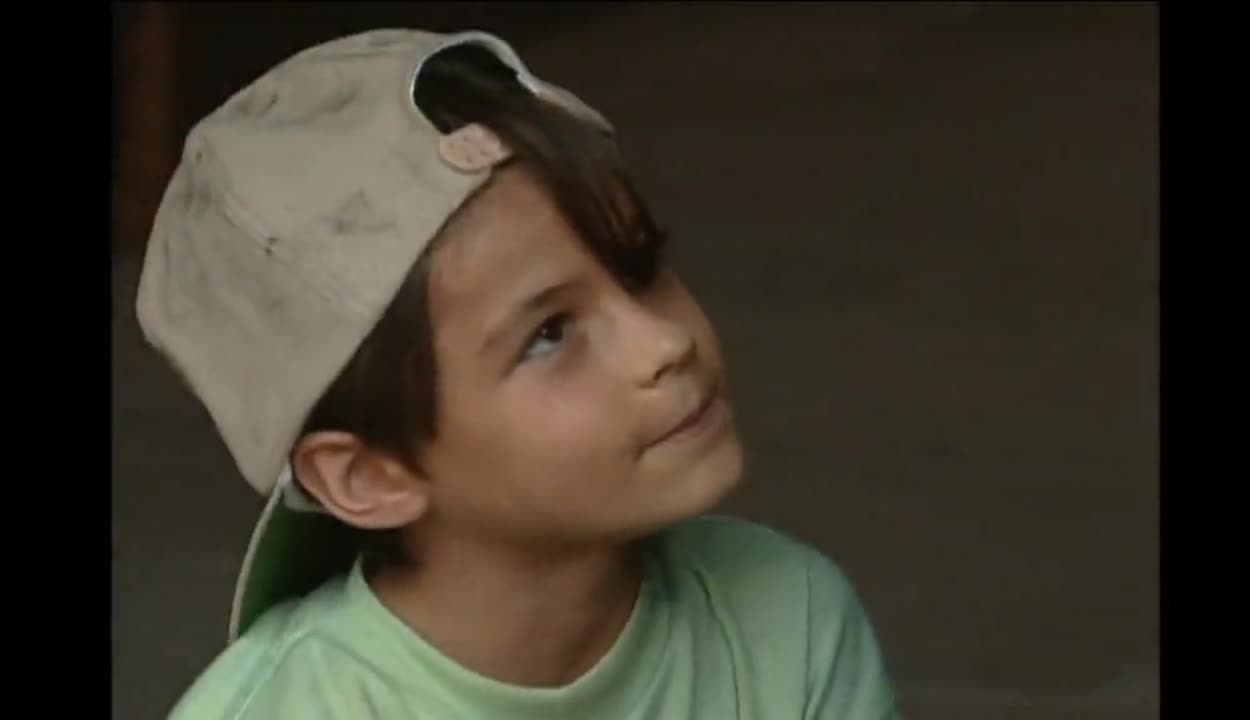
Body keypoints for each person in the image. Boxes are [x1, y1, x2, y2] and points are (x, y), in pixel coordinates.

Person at [137, 27, 901, 720]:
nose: (664, 342)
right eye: (549, 335)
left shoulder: (790, 624)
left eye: (638, 269)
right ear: (369, 474)